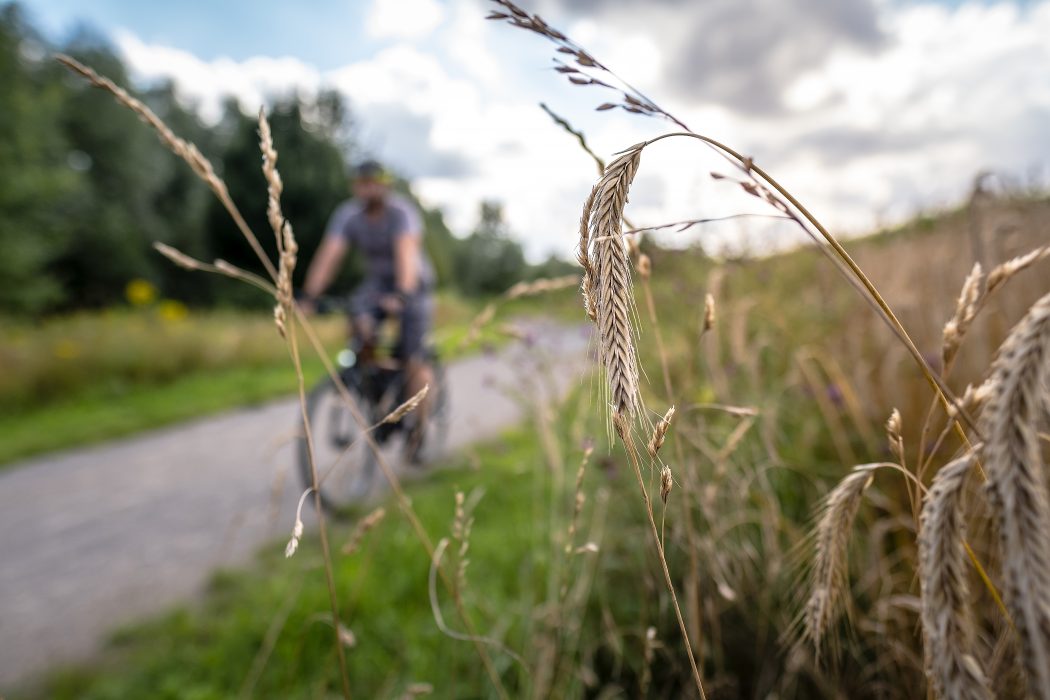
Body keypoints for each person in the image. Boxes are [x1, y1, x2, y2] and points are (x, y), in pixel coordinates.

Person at [301, 160, 435, 457]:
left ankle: (419, 430)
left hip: (413, 286)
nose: (367, 187)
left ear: (386, 184)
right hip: (376, 287)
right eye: (362, 182)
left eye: (374, 181)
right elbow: (330, 254)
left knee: (412, 357)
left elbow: (406, 253)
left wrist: (402, 294)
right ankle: (373, 383)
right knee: (358, 323)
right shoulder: (348, 216)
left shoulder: (402, 213)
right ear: (355, 185)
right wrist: (310, 295)